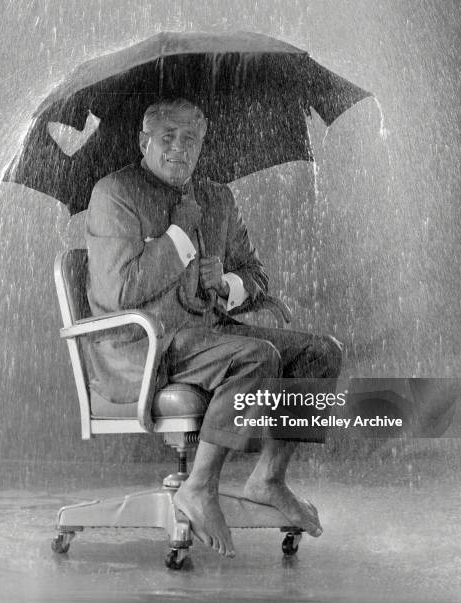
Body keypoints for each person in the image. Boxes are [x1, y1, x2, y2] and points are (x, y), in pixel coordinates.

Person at [85, 98, 342, 558]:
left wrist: (226, 283)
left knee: (321, 352)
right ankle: (199, 487)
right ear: (144, 142)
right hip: (143, 346)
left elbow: (255, 273)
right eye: (167, 138)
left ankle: (268, 479)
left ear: (202, 147)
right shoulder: (113, 193)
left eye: (191, 140)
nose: (179, 149)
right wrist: (180, 236)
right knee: (258, 355)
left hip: (206, 335)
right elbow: (119, 292)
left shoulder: (218, 197)